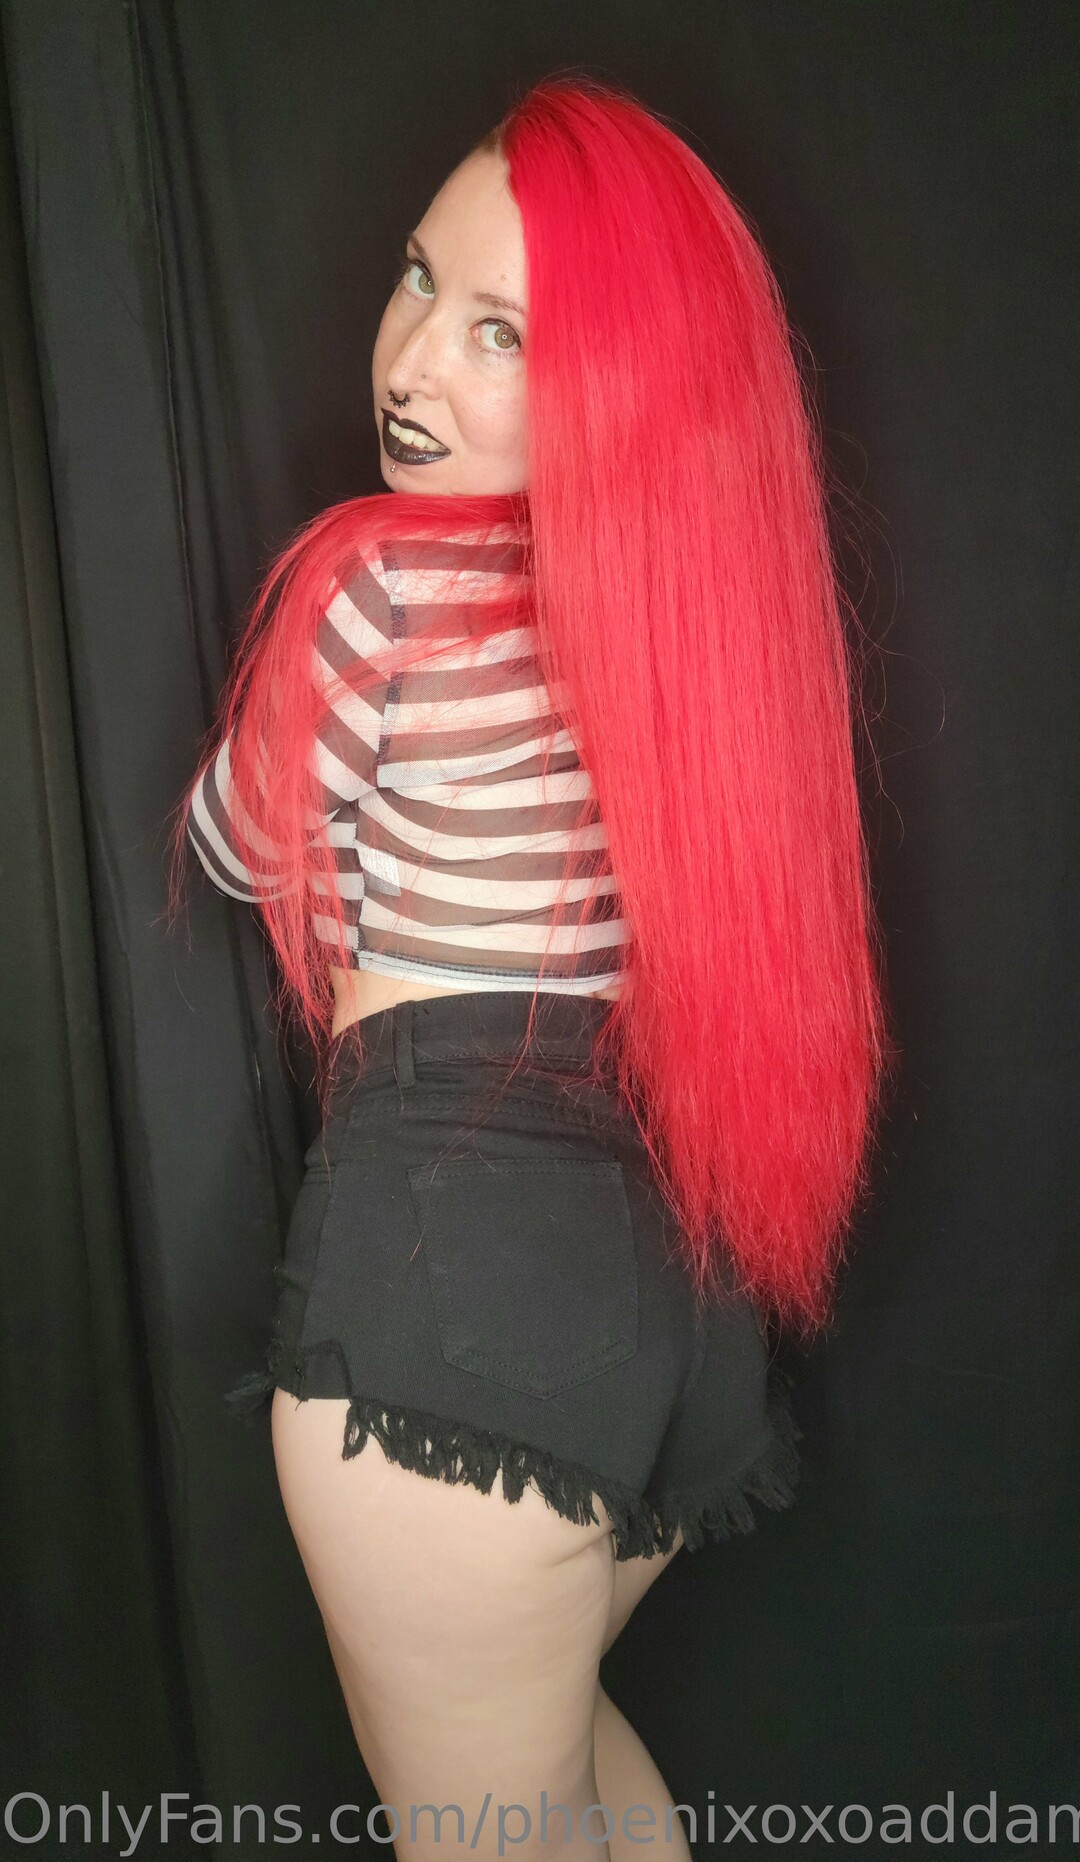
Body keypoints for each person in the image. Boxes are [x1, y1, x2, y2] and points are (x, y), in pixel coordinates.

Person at [172, 74, 896, 1862]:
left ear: (624, 384)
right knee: (554, 1775)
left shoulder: (369, 591)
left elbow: (235, 844)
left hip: (459, 1291)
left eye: (504, 332)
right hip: (677, 1301)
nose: (415, 362)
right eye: (421, 281)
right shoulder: (701, 639)